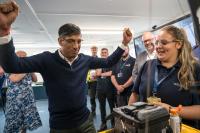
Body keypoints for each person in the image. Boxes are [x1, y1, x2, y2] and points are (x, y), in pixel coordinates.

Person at [0, 1, 133, 132]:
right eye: (71, 41)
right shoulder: (46, 60)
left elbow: (108, 61)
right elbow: (13, 65)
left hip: (86, 122)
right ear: (60, 41)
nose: (76, 46)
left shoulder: (85, 60)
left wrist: (124, 43)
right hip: (60, 126)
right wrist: (5, 32)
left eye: (79, 41)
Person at [128, 25, 200, 129]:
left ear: (178, 44)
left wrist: (170, 110)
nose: (158, 46)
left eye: (164, 42)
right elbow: (134, 95)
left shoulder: (193, 69)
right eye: (157, 42)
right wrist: (130, 120)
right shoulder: (147, 65)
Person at [3, 50, 42, 133]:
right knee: (13, 121)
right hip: (15, 100)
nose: (23, 60)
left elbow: (35, 79)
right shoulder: (9, 66)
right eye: (21, 57)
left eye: (25, 58)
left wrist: (31, 70)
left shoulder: (27, 67)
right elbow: (14, 79)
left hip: (28, 99)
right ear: (16, 58)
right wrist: (27, 68)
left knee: (25, 122)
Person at [96, 48, 115, 131]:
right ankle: (103, 124)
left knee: (112, 107)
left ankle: (113, 123)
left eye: (105, 53)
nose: (104, 54)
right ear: (101, 54)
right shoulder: (98, 62)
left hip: (110, 88)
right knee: (102, 107)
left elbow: (112, 72)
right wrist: (101, 62)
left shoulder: (111, 62)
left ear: (108, 54)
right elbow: (97, 73)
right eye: (102, 53)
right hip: (100, 89)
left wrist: (102, 74)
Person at [87, 46, 98, 116]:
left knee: (101, 97)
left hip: (99, 81)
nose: (94, 51)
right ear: (91, 50)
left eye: (95, 49)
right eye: (92, 49)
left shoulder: (99, 59)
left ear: (97, 50)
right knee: (92, 97)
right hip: (91, 82)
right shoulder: (89, 60)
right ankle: (93, 111)